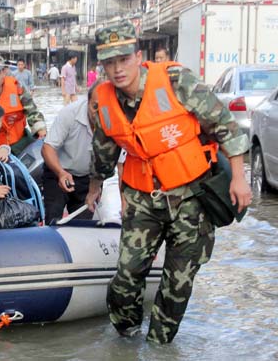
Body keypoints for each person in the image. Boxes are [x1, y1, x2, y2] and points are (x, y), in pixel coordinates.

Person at [85, 20, 252, 344]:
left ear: (137, 55)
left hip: (191, 197)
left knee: (177, 284)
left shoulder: (175, 81)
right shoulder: (103, 100)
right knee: (126, 277)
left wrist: (239, 179)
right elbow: (103, 150)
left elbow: (226, 126)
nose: (118, 69)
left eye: (123, 59)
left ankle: (158, 347)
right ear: (102, 65)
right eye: (109, 62)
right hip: (141, 199)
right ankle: (126, 339)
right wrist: (95, 186)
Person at [41, 79, 103, 224]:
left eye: (105, 108)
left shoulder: (117, 120)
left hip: (89, 179)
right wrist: (60, 173)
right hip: (58, 174)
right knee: (53, 222)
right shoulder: (69, 113)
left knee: (84, 226)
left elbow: (119, 164)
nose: (99, 114)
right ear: (87, 102)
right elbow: (47, 147)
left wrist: (97, 186)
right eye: (95, 107)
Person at [0, 55, 47, 156]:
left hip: (20, 143)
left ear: (4, 72)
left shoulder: (18, 89)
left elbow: (32, 111)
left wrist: (41, 130)